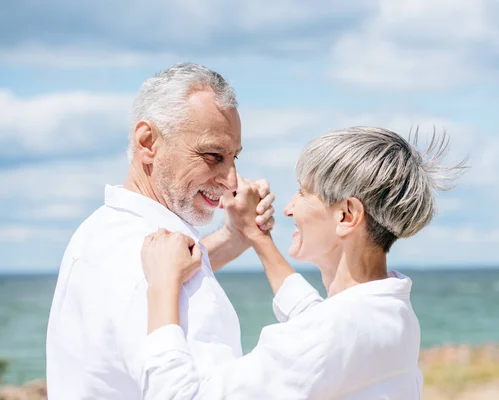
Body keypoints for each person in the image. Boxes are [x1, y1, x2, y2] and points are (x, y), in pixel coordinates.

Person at [140, 127, 467, 399]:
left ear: (346, 215)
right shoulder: (392, 313)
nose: (289, 208)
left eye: (303, 192)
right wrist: (255, 236)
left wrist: (163, 283)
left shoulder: (326, 334)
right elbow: (312, 314)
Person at [45, 63, 290, 399]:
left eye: (234, 158)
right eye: (213, 155)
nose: (231, 180)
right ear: (148, 142)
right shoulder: (170, 279)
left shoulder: (100, 232)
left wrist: (236, 235)